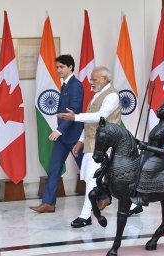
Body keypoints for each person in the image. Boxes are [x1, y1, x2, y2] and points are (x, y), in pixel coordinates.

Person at [57, 66, 121, 228]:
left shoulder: (112, 95)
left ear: (105, 79)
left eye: (94, 79)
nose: (90, 82)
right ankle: (133, 205)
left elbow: (101, 116)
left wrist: (75, 117)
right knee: (91, 180)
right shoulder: (96, 96)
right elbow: (90, 123)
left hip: (103, 146)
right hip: (92, 145)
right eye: (91, 79)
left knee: (93, 180)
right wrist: (80, 140)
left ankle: (86, 216)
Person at [29, 54, 84, 213]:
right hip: (63, 137)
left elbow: (74, 112)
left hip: (74, 136)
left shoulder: (76, 86)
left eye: (61, 67)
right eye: (57, 67)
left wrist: (59, 130)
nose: (58, 70)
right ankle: (48, 203)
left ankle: (102, 197)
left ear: (70, 67)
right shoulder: (65, 85)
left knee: (85, 169)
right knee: (54, 168)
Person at [130, 99, 164, 207]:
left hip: (158, 158)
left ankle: (145, 197)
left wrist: (146, 147)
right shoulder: (158, 126)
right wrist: (141, 143)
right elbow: (153, 143)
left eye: (163, 108)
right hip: (150, 155)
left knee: (146, 168)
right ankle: (134, 190)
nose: (159, 109)